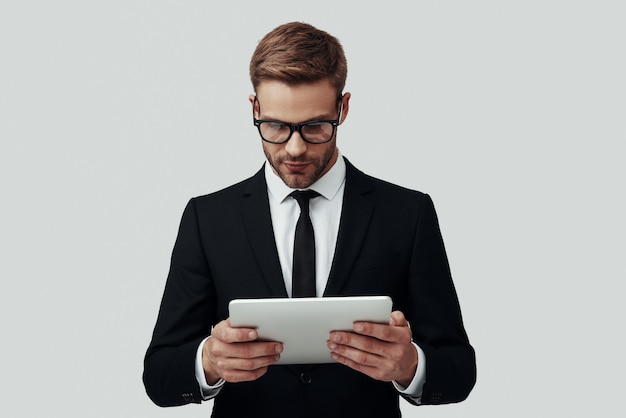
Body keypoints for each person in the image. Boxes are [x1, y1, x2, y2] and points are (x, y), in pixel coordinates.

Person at [143, 22, 476, 417]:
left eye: (316, 126)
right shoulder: (208, 217)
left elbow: (459, 370)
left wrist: (410, 367)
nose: (295, 148)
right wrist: (209, 362)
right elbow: (159, 377)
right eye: (276, 127)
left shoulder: (407, 213)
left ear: (343, 108)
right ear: (254, 109)